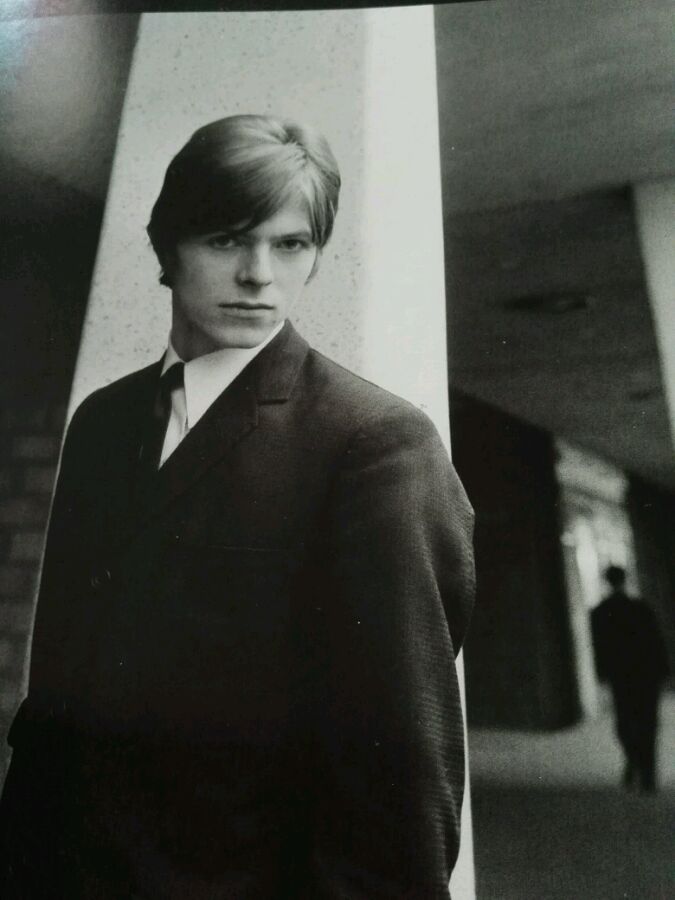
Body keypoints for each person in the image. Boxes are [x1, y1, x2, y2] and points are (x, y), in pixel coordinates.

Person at [0, 114, 475, 898]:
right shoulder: (102, 422)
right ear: (166, 247)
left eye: (290, 244)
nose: (259, 274)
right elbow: (56, 690)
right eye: (226, 239)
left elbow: (399, 783)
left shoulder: (374, 442)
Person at [591, 564, 669, 793]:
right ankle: (647, 772)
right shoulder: (640, 608)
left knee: (625, 722)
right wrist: (664, 671)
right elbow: (656, 641)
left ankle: (635, 761)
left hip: (622, 676)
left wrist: (602, 673)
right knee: (647, 723)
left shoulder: (601, 612)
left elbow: (599, 648)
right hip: (645, 674)